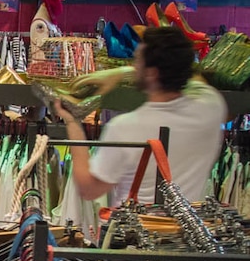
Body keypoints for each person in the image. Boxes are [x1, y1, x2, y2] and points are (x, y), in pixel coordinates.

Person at [53, 26, 227, 205]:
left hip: (134, 230)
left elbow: (89, 189)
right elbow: (195, 78)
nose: (134, 66)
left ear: (152, 73)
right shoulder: (210, 105)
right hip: (187, 227)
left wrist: (72, 121)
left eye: (137, 61)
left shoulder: (125, 128)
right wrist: (123, 74)